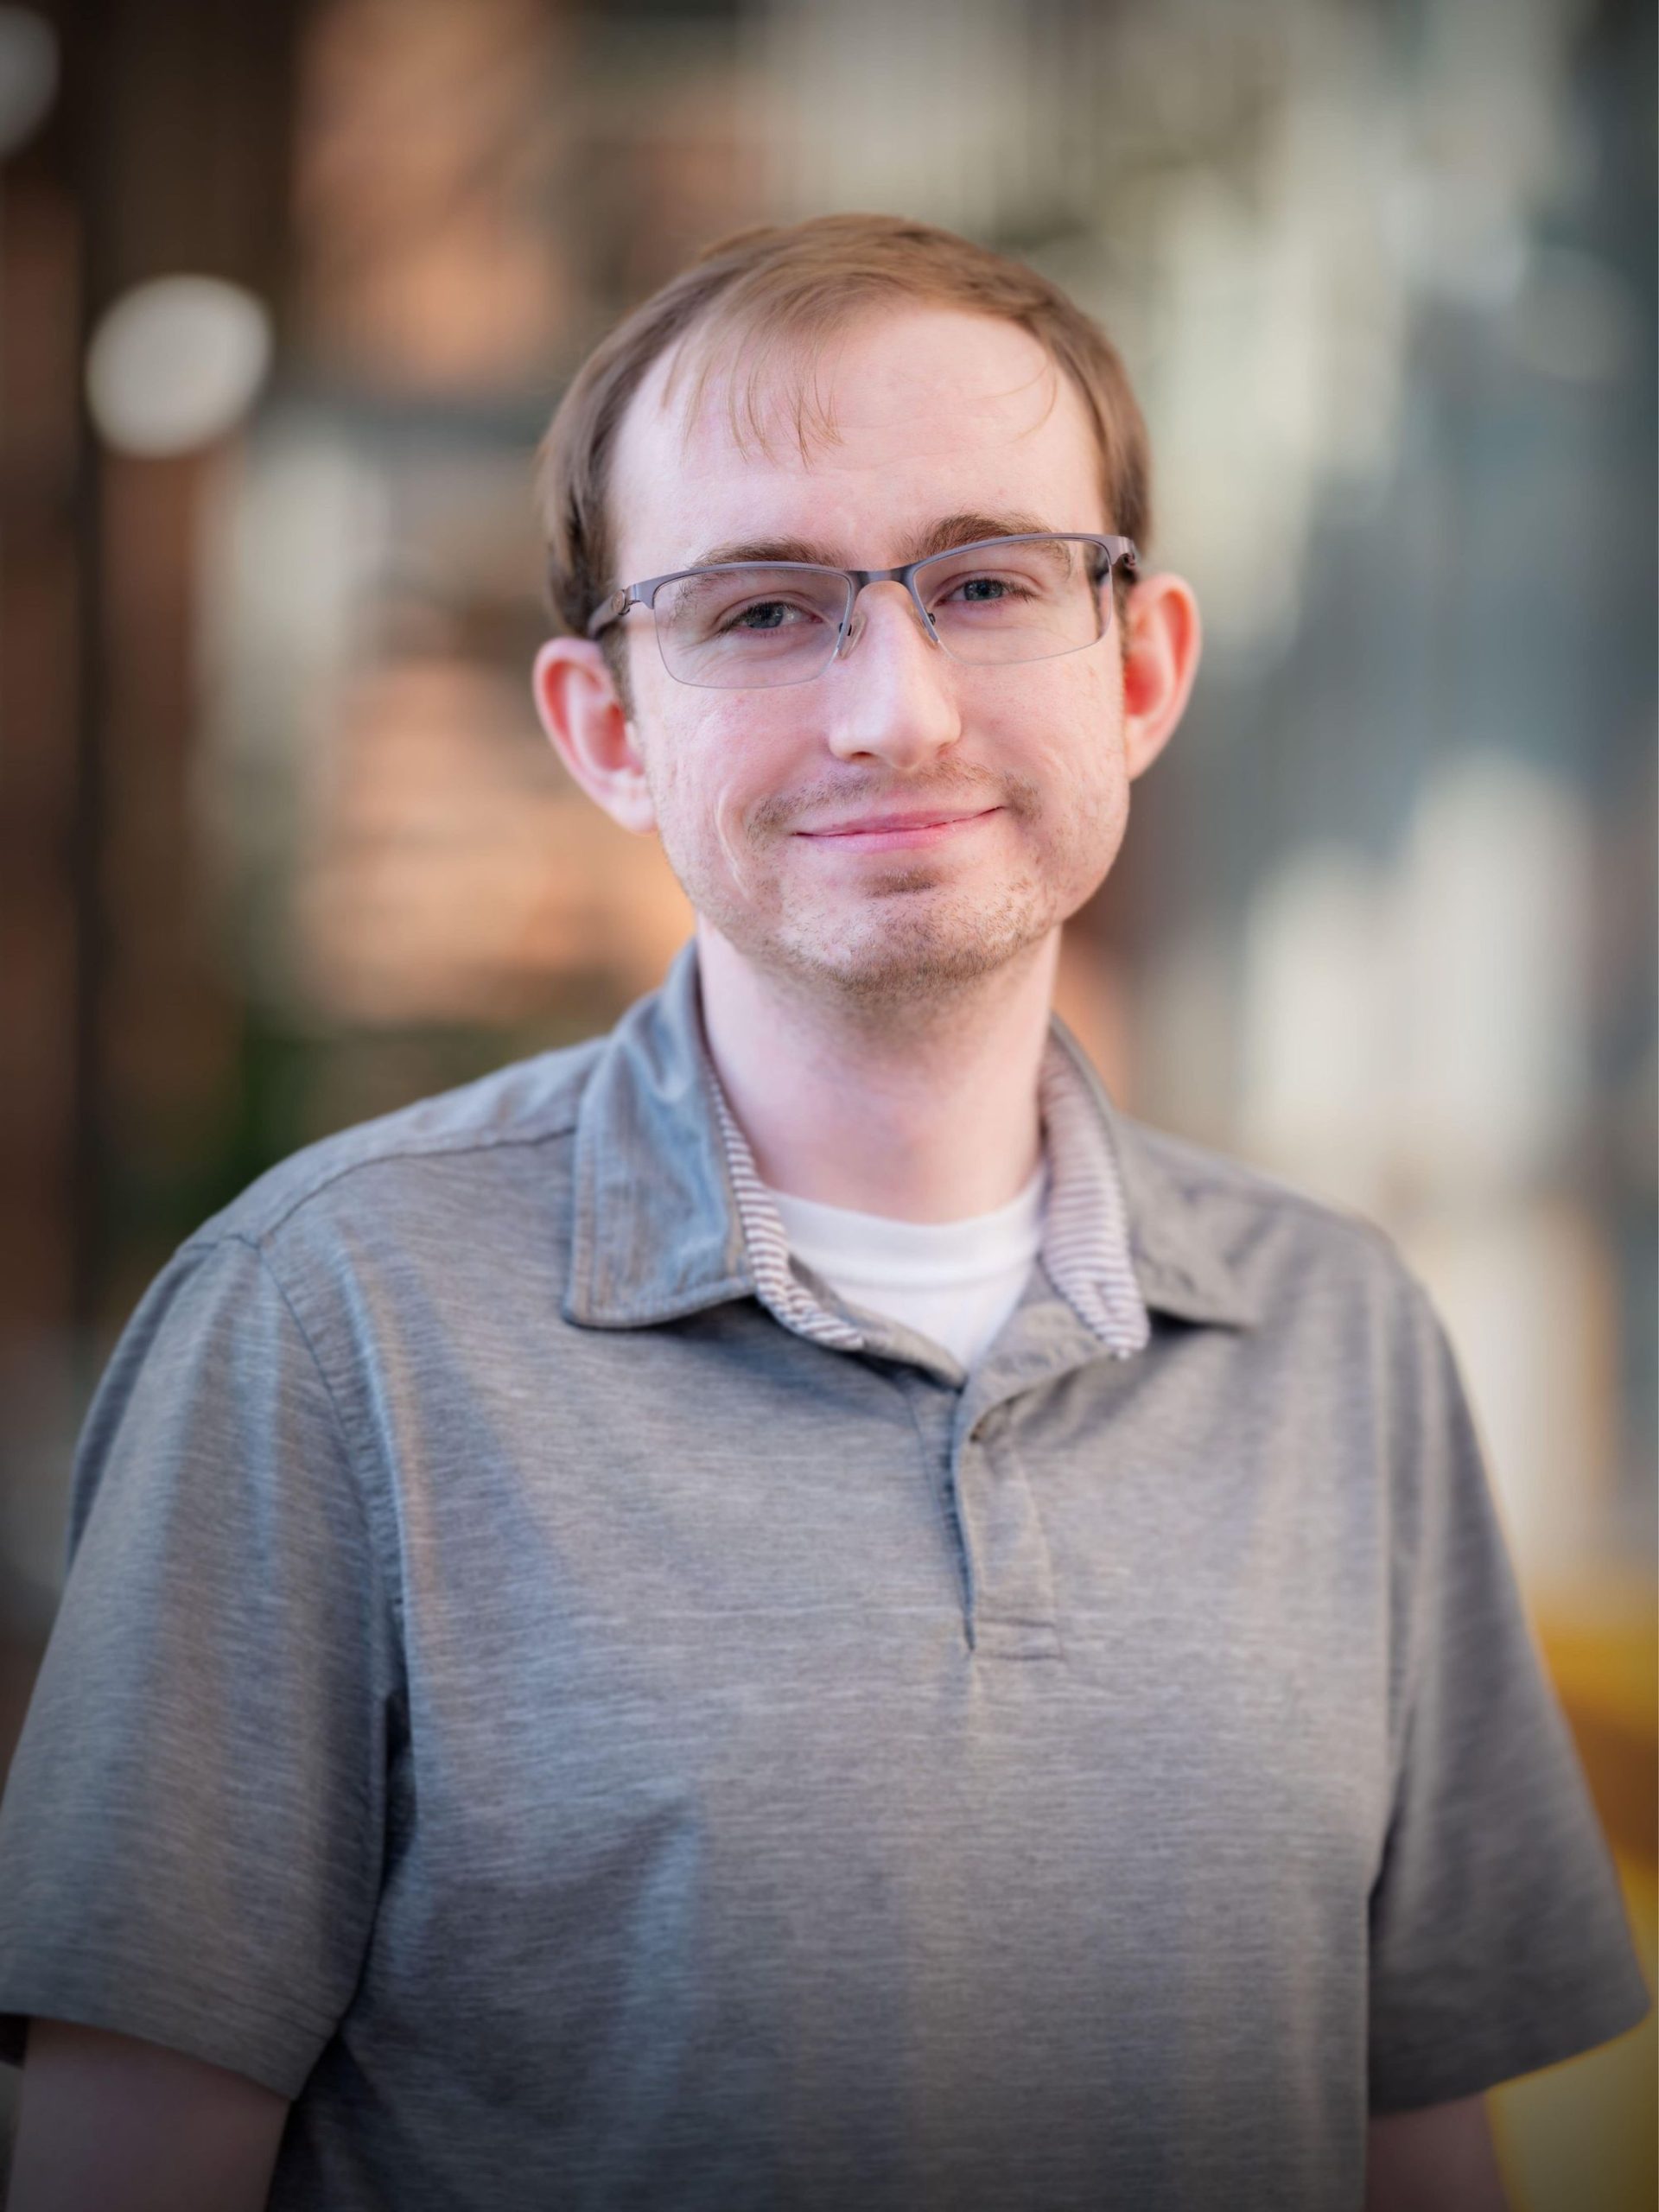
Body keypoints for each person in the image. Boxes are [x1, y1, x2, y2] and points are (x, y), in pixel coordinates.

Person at [0, 213, 1648, 2212]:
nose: (898, 709)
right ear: (609, 727)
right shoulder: (326, 1322)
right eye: (764, 608)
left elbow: (1421, 2144)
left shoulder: (1340, 1332)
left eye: (982, 581)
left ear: (1141, 667)